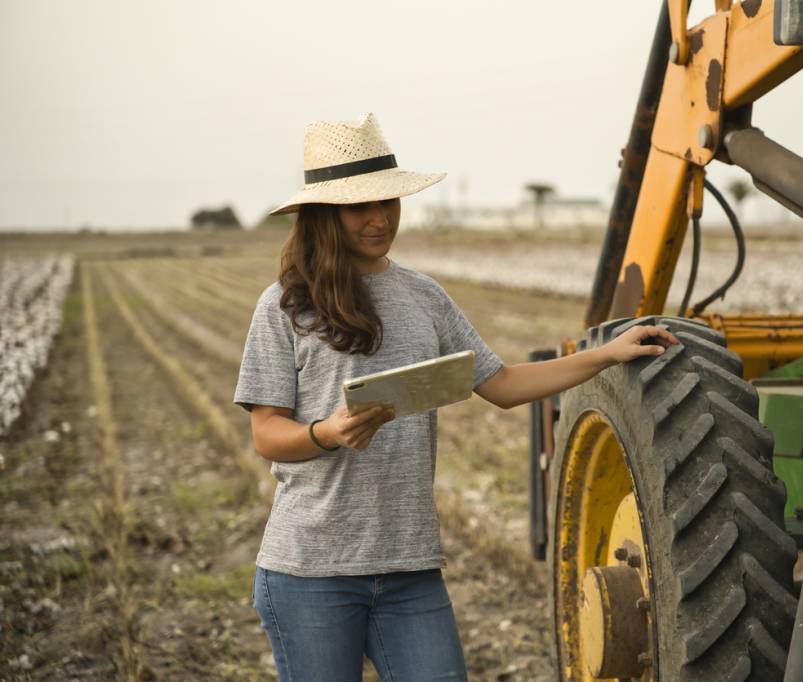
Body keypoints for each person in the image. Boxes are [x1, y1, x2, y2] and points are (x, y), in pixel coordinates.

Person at [233, 113, 678, 682]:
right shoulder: (283, 307)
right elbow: (265, 433)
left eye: (389, 201)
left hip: (411, 569)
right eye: (360, 207)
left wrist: (608, 353)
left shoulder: (424, 297)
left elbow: (505, 384)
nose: (380, 218)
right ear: (324, 215)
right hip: (310, 574)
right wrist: (327, 433)